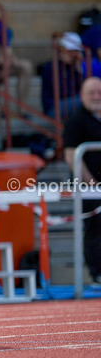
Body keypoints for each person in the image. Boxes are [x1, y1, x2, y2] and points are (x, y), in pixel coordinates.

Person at [63, 77, 101, 283]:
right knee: (96, 227)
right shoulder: (76, 121)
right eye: (91, 93)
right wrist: (92, 184)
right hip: (89, 189)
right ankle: (97, 272)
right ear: (82, 96)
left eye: (99, 93)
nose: (96, 97)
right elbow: (72, 156)